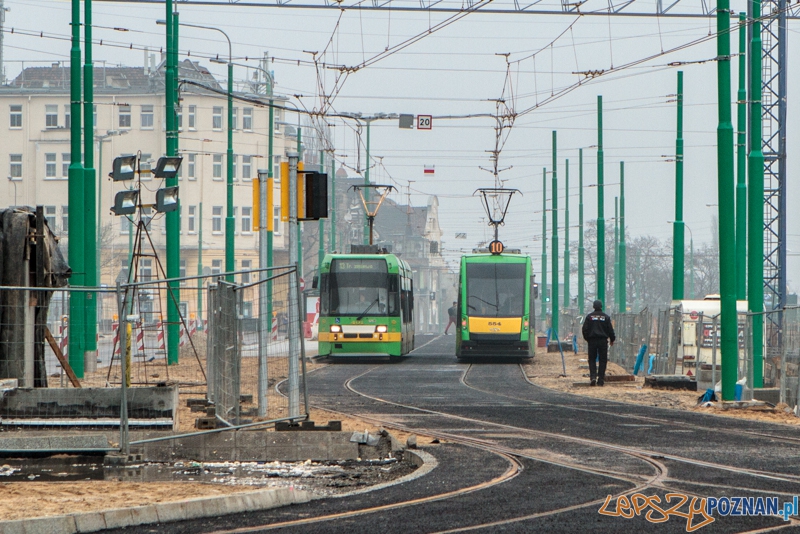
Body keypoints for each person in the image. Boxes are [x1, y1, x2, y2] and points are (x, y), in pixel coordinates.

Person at [581, 299, 616, 386]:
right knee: (603, 360)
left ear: (593, 307)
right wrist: (612, 339)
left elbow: (584, 329)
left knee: (592, 359)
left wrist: (587, 338)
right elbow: (610, 330)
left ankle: (593, 377)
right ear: (601, 306)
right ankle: (601, 379)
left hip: (592, 340)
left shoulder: (589, 317)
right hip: (603, 341)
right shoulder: (606, 317)